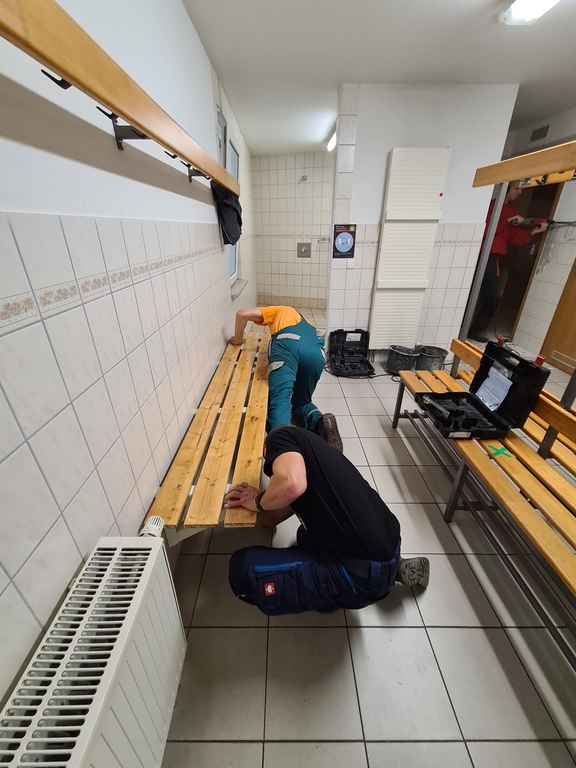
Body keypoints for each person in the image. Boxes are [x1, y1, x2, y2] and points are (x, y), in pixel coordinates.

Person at [225, 425, 429, 615]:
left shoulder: (279, 438)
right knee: (304, 535)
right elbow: (274, 517)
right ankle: (393, 569)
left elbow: (292, 486)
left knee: (242, 568)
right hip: (390, 544)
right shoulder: (313, 456)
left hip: (362, 578)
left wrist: (257, 501)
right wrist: (253, 500)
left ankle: (334, 593)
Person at [229, 305, 342, 451]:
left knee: (281, 398)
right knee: (301, 402)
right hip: (316, 354)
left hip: (288, 346)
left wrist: (238, 339)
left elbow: (242, 313)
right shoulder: (306, 323)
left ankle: (283, 448)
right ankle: (321, 424)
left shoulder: (279, 310)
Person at [468, 181, 548, 343]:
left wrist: (532, 232)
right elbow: (484, 231)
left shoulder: (512, 211)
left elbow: (513, 238)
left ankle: (476, 329)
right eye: (516, 188)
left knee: (494, 296)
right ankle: (457, 325)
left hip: (494, 259)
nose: (520, 192)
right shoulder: (489, 206)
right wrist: (506, 220)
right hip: (478, 254)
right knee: (467, 291)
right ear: (505, 189)